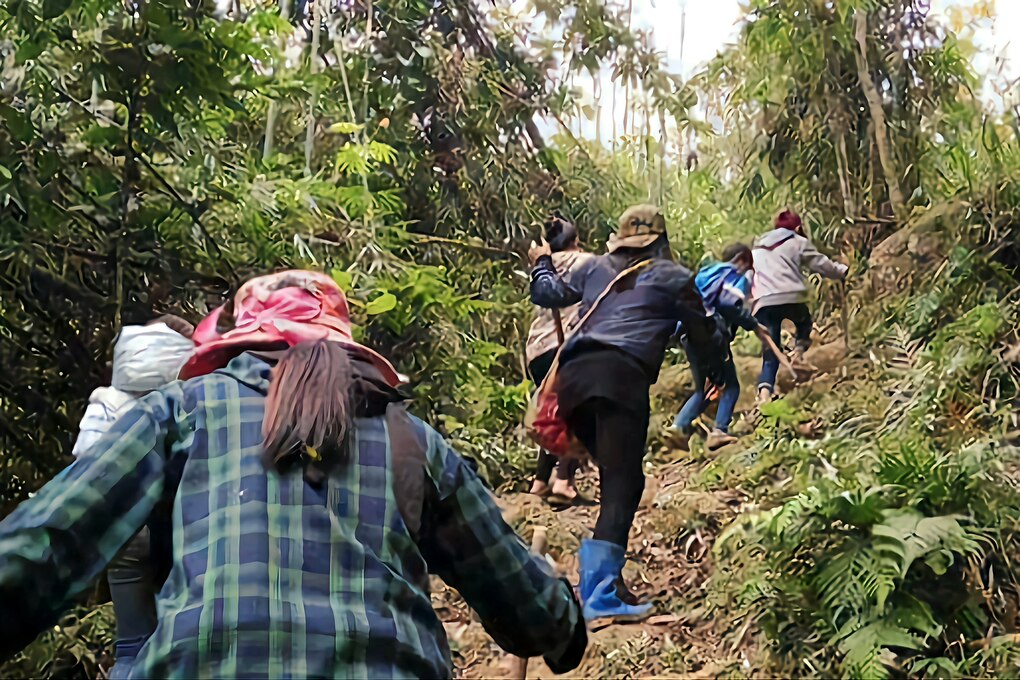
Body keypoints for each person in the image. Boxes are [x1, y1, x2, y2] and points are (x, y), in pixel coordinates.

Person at [0, 270, 586, 679]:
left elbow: (45, 544)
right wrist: (561, 619)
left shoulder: (181, 412)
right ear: (345, 348)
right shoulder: (410, 439)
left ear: (238, 347)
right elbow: (533, 612)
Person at [529, 205, 725, 622]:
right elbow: (704, 334)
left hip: (574, 380)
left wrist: (542, 262)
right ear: (659, 240)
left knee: (619, 477)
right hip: (621, 378)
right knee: (624, 482)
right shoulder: (674, 276)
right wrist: (715, 373)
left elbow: (546, 294)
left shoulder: (593, 267)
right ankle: (600, 594)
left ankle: (599, 580)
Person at [72, 315, 195, 680]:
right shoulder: (190, 400)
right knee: (181, 640)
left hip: (123, 531)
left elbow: (85, 461)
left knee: (132, 644)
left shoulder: (106, 400)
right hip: (179, 528)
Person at [525, 214, 594, 505]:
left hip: (538, 351)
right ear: (576, 241)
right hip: (567, 347)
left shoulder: (545, 265)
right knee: (581, 413)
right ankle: (564, 481)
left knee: (554, 413)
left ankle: (540, 482)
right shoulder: (586, 262)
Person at [752, 209, 848, 403]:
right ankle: (798, 355)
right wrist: (842, 271)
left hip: (763, 301)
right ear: (798, 228)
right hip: (790, 296)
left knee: (770, 349)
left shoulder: (757, 248)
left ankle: (764, 395)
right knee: (804, 322)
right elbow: (821, 264)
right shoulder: (798, 242)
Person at [670, 243, 759, 451]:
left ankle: (677, 428)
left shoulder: (705, 274)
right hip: (712, 336)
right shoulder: (733, 275)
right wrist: (752, 324)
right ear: (742, 261)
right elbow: (730, 304)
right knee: (731, 386)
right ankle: (720, 431)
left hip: (688, 337)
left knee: (703, 389)